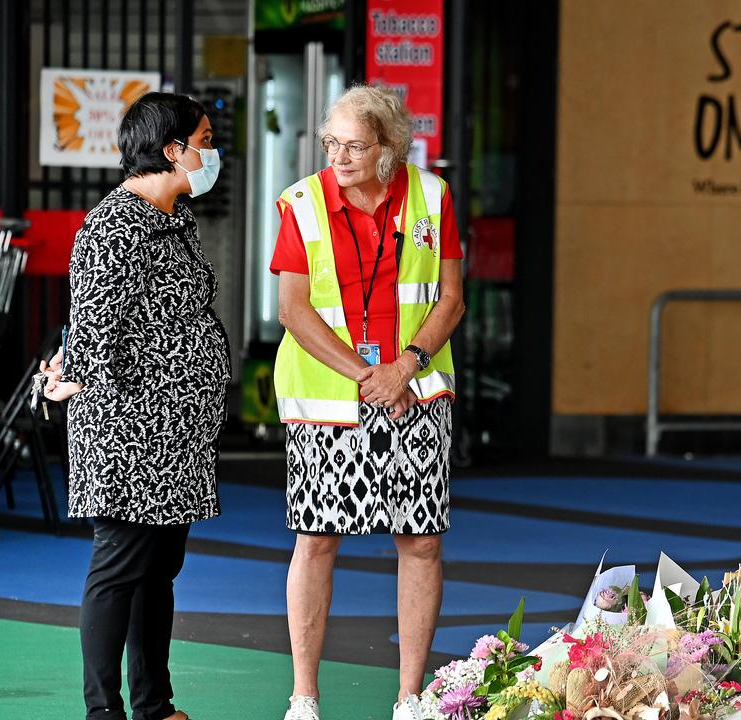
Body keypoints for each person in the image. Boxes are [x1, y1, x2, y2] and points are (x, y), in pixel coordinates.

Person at [268, 85, 465, 720]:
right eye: (332, 143)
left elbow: (451, 298)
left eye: (355, 145)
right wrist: (367, 375)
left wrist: (406, 365)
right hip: (328, 400)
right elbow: (293, 309)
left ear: (389, 147)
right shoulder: (301, 203)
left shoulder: (432, 196)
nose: (341, 156)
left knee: (422, 543)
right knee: (317, 541)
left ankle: (411, 698)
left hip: (416, 392)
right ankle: (304, 697)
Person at [42, 91, 231, 720]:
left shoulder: (176, 221)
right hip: (129, 434)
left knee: (159, 569)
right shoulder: (113, 227)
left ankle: (154, 705)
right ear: (172, 150)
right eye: (204, 141)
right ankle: (104, 712)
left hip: (178, 434)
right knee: (120, 567)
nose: (212, 153)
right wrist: (72, 376)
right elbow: (95, 329)